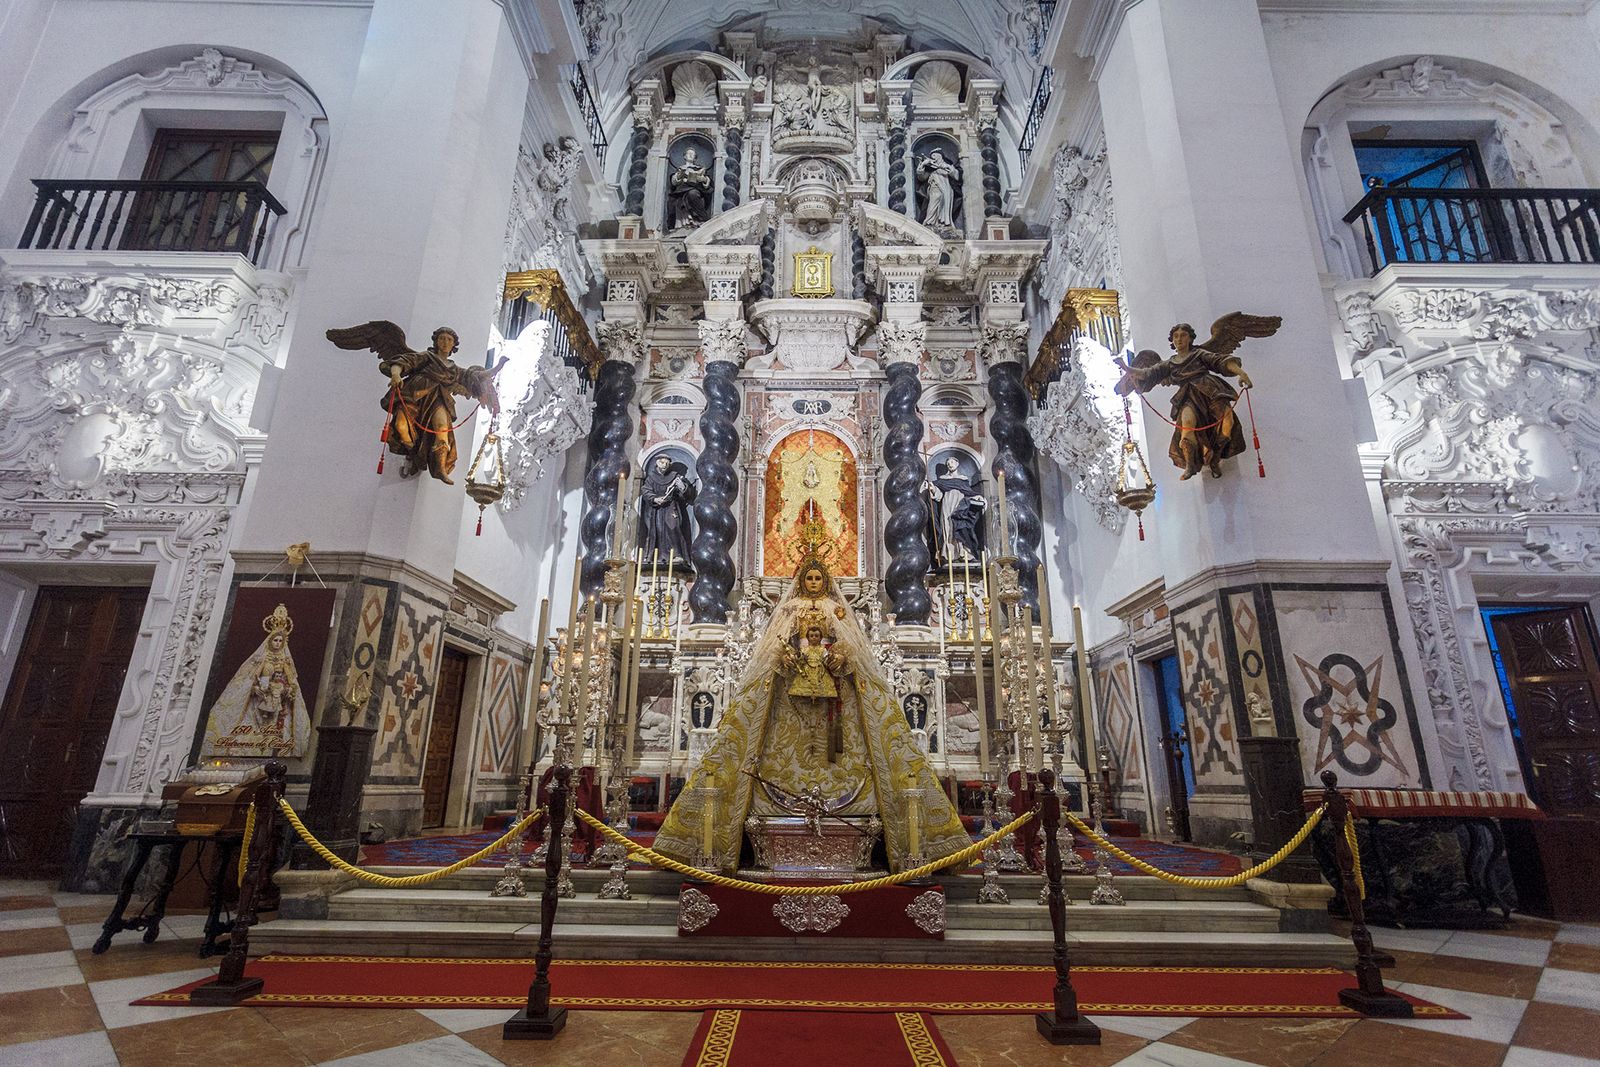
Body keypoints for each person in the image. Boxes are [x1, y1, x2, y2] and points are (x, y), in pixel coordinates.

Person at [652, 553, 969, 872]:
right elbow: (773, 647)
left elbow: (852, 646)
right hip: (789, 699)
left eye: (819, 579)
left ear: (826, 582)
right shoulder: (790, 609)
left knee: (840, 747)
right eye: (809, 578)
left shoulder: (836, 609)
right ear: (801, 580)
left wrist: (842, 658)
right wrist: (785, 658)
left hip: (834, 699)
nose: (814, 583)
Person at [924, 456, 986, 563]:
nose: (950, 464)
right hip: (947, 505)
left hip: (960, 505)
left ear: (957, 464)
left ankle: (964, 552)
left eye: (952, 462)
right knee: (948, 528)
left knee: (961, 526)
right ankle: (950, 555)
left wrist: (977, 497)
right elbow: (938, 496)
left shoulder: (963, 479)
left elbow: (968, 492)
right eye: (948, 463)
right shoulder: (941, 480)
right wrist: (933, 489)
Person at [638, 454, 697, 565]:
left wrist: (682, 487)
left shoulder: (675, 476)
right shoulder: (651, 478)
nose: (664, 465)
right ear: (657, 463)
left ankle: (677, 555)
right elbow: (645, 491)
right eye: (661, 462)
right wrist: (655, 499)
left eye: (666, 463)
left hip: (671, 507)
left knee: (673, 527)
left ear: (669, 464)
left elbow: (687, 493)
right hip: (656, 510)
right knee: (658, 529)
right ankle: (655, 557)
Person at [668, 147, 713, 230]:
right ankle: (687, 222)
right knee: (680, 198)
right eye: (689, 153)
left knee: (693, 194)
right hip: (681, 192)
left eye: (693, 154)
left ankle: (701, 218)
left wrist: (703, 179)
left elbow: (707, 183)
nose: (690, 155)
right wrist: (680, 176)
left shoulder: (699, 168)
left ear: (695, 157)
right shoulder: (680, 169)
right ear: (684, 156)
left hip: (696, 189)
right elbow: (674, 182)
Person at [918, 150, 961, 229]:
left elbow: (956, 176)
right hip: (934, 189)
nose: (932, 158)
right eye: (931, 156)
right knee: (932, 204)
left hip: (946, 189)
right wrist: (923, 164)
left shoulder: (946, 166)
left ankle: (943, 222)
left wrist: (945, 167)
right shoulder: (931, 168)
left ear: (940, 156)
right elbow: (921, 178)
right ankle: (929, 221)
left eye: (934, 155)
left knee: (944, 205)